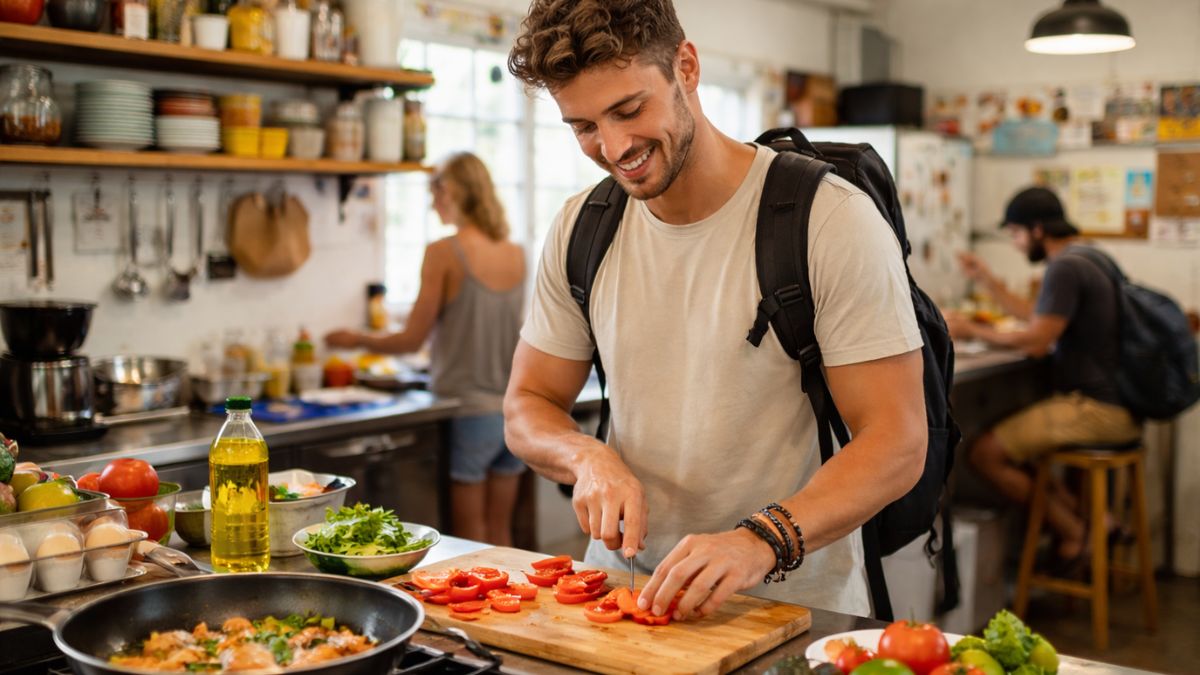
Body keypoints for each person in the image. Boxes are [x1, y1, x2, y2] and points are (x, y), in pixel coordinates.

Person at [503, 0, 927, 620]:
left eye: (629, 109)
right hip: (622, 597)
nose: (614, 146)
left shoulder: (828, 219)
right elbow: (526, 405)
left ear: (687, 66)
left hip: (789, 607)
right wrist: (586, 457)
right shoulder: (581, 228)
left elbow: (896, 441)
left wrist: (760, 540)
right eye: (584, 126)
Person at [325, 152, 527, 546]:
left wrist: (356, 338)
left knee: (472, 539)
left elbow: (410, 340)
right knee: (501, 534)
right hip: (513, 411)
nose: (432, 204)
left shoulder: (444, 252)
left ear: (450, 191)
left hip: (466, 409)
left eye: (434, 193)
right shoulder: (514, 252)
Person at [945, 186, 1141, 567]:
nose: (1016, 245)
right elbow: (1036, 318)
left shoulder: (1065, 267)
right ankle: (1099, 521)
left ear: (1037, 230)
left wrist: (972, 331)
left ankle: (1075, 533)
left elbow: (1036, 341)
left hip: (1095, 408)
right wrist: (986, 280)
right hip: (1118, 403)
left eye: (1016, 234)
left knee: (985, 453)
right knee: (1021, 448)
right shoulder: (1089, 255)